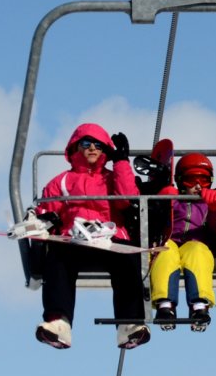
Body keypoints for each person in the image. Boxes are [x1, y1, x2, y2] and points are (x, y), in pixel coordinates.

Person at [31, 123, 150, 350]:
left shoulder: (113, 177)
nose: (92, 148)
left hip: (110, 237)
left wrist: (122, 161)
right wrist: (47, 222)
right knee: (58, 256)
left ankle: (129, 323)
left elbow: (128, 198)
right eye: (86, 143)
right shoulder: (61, 182)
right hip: (75, 239)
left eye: (98, 144)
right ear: (77, 147)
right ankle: (58, 323)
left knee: (127, 257)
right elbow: (46, 212)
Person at [150, 153, 216, 332]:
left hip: (196, 242)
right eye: (190, 180)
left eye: (203, 180)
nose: (196, 186)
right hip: (170, 239)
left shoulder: (209, 203)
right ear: (180, 181)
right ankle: (165, 304)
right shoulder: (174, 199)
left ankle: (199, 306)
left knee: (198, 251)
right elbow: (151, 221)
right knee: (164, 249)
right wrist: (161, 201)